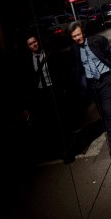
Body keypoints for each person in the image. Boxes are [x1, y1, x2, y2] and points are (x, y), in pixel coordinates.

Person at [67, 21, 111, 158]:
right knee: (105, 114)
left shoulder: (98, 41)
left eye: (79, 35)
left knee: (109, 111)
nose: (77, 38)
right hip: (92, 84)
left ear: (83, 32)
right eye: (74, 36)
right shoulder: (74, 49)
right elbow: (76, 69)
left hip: (106, 80)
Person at [19, 34, 72, 162]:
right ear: (28, 47)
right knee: (49, 123)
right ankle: (59, 149)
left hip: (53, 89)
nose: (34, 45)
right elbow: (27, 82)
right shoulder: (27, 61)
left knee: (60, 120)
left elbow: (61, 71)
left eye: (35, 42)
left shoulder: (49, 54)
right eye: (31, 44)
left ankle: (67, 150)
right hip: (41, 94)